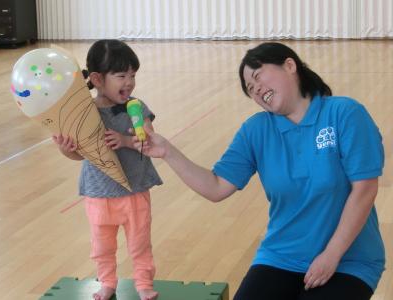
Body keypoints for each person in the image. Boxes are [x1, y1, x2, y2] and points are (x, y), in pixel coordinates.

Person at [133, 42, 385, 300]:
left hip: (348, 260)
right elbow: (217, 187)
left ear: (290, 66)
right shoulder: (256, 130)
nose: (256, 89)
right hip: (281, 256)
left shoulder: (344, 113)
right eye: (250, 89)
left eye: (257, 76)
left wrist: (331, 255)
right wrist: (167, 151)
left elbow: (365, 189)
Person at [52, 39, 162, 300]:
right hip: (98, 193)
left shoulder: (135, 106)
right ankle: (107, 282)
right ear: (98, 79)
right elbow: (79, 154)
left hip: (134, 190)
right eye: (121, 75)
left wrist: (126, 140)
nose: (129, 82)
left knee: (139, 244)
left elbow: (150, 139)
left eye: (132, 75)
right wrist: (66, 148)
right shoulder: (85, 113)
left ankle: (143, 283)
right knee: (101, 246)